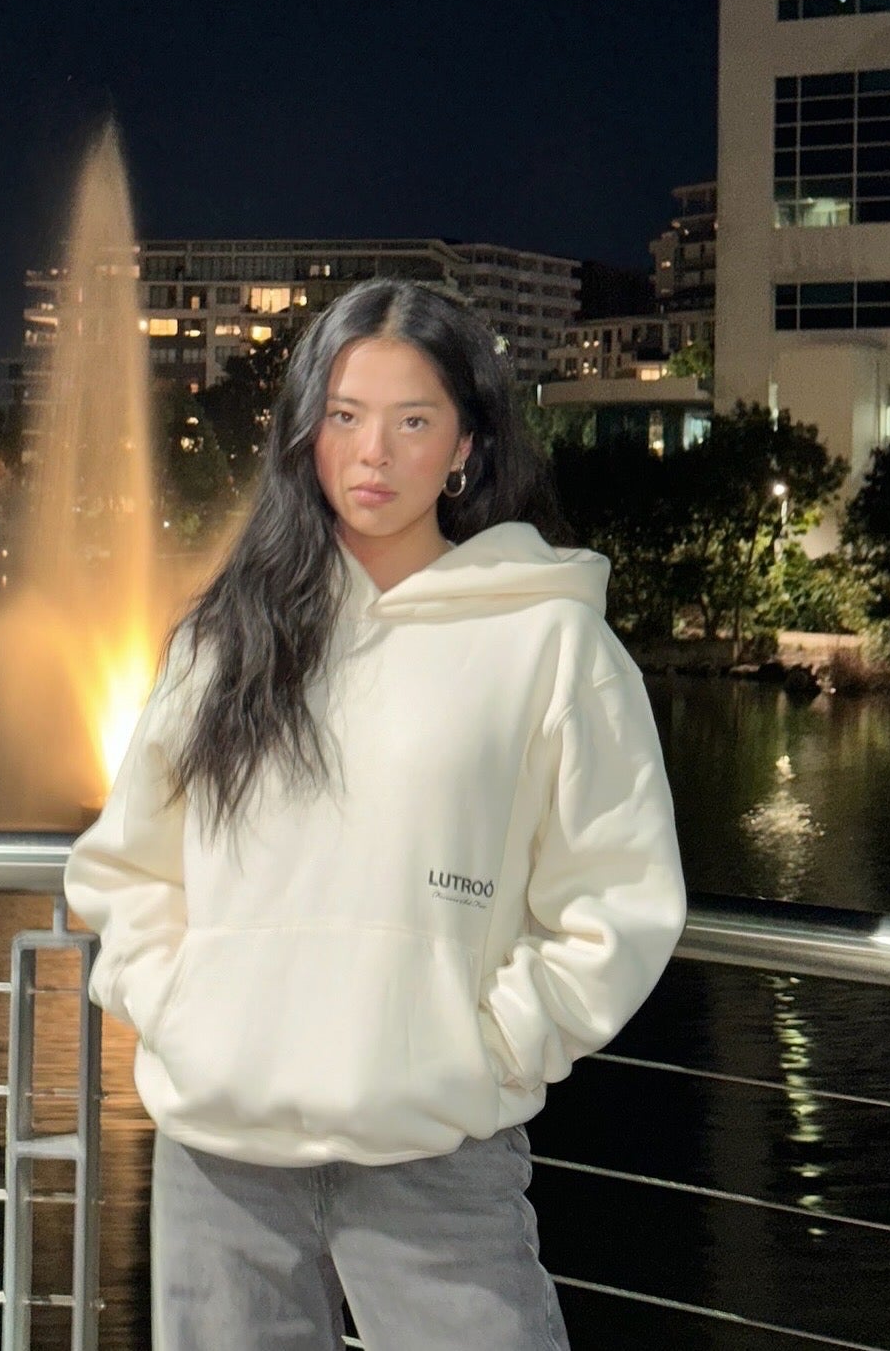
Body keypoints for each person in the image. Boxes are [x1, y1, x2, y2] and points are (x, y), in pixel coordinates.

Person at [65, 279, 687, 1350]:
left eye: (413, 421)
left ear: (465, 446)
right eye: (345, 416)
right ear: (306, 431)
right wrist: (182, 1012)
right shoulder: (227, 641)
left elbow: (618, 898)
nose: (373, 454)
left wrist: (491, 1049)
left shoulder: (548, 642)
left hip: (433, 1154)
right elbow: (130, 869)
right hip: (222, 1155)